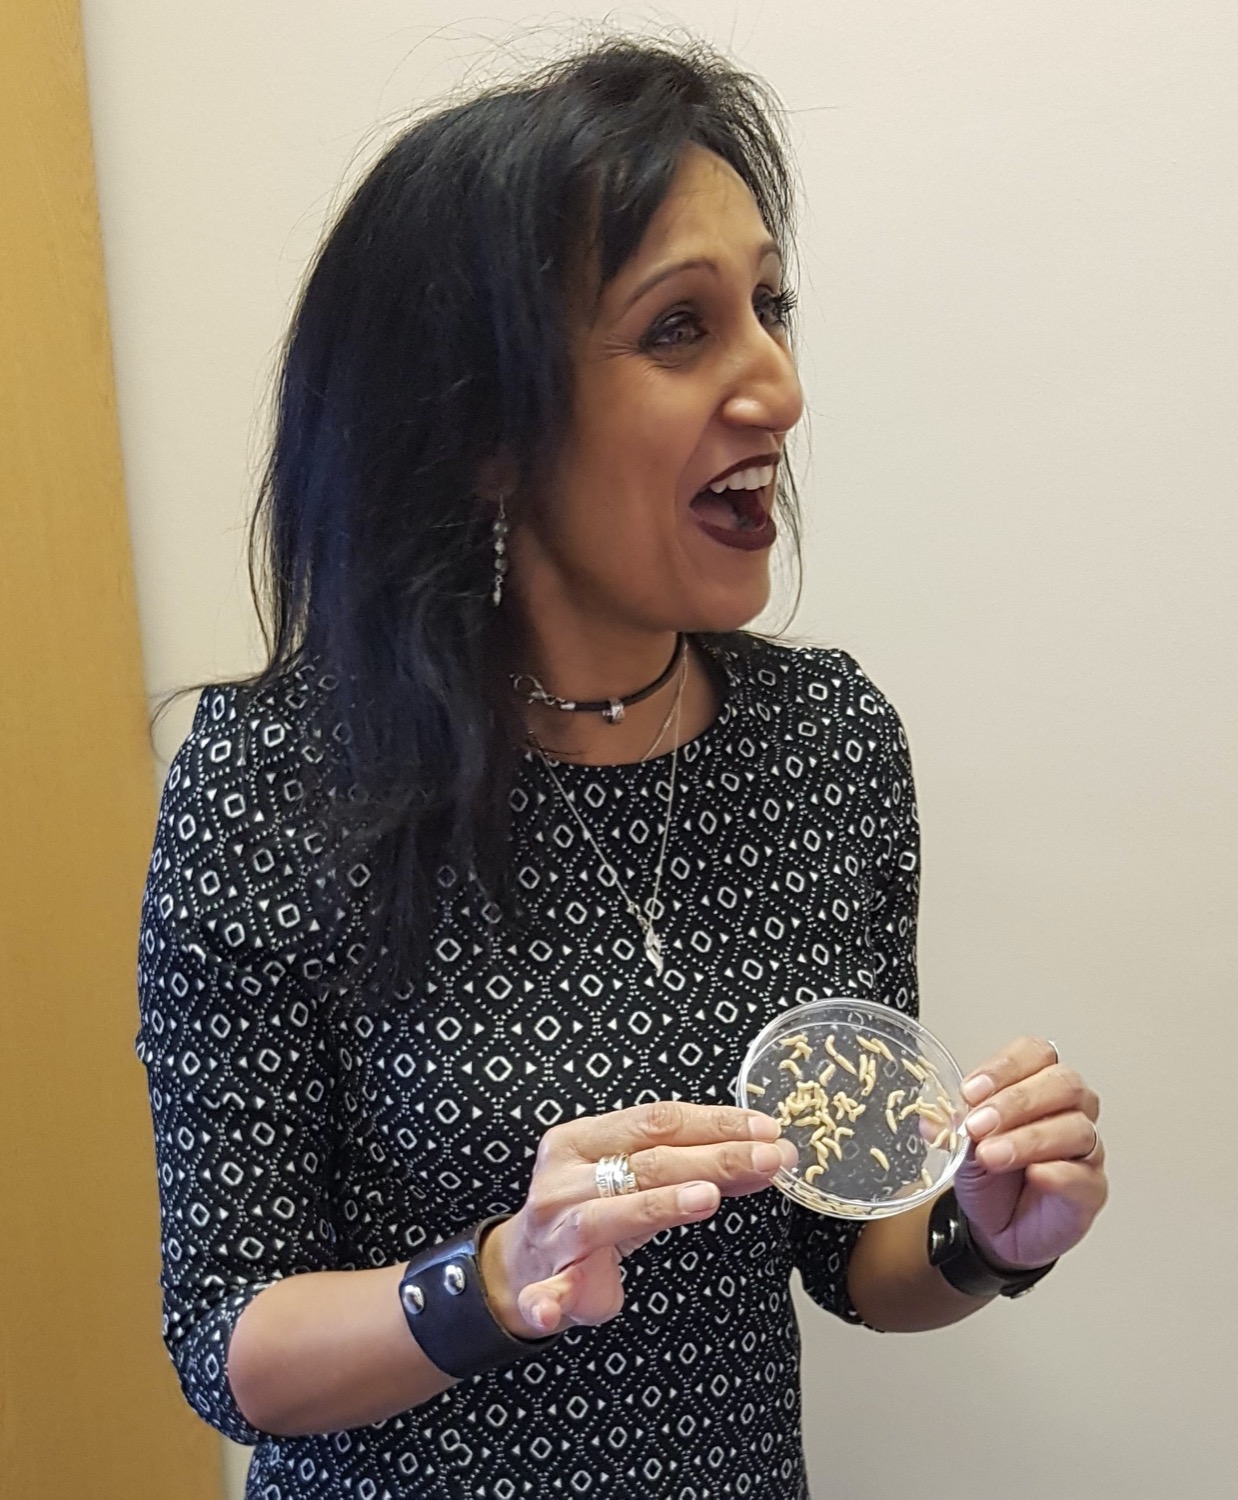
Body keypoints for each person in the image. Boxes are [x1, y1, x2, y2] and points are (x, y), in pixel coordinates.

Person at [137, 39, 1108, 1500]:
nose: (773, 385)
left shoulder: (825, 747)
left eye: (768, 309)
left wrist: (987, 1230)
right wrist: (499, 1278)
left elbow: (845, 1251)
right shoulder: (275, 788)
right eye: (679, 329)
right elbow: (229, 1344)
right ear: (483, 436)